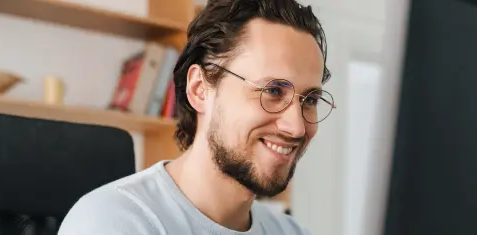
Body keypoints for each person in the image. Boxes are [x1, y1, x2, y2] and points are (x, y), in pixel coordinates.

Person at [58, 0, 334, 234]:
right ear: (200, 90)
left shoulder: (290, 231)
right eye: (273, 91)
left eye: (310, 100)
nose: (297, 126)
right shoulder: (113, 222)